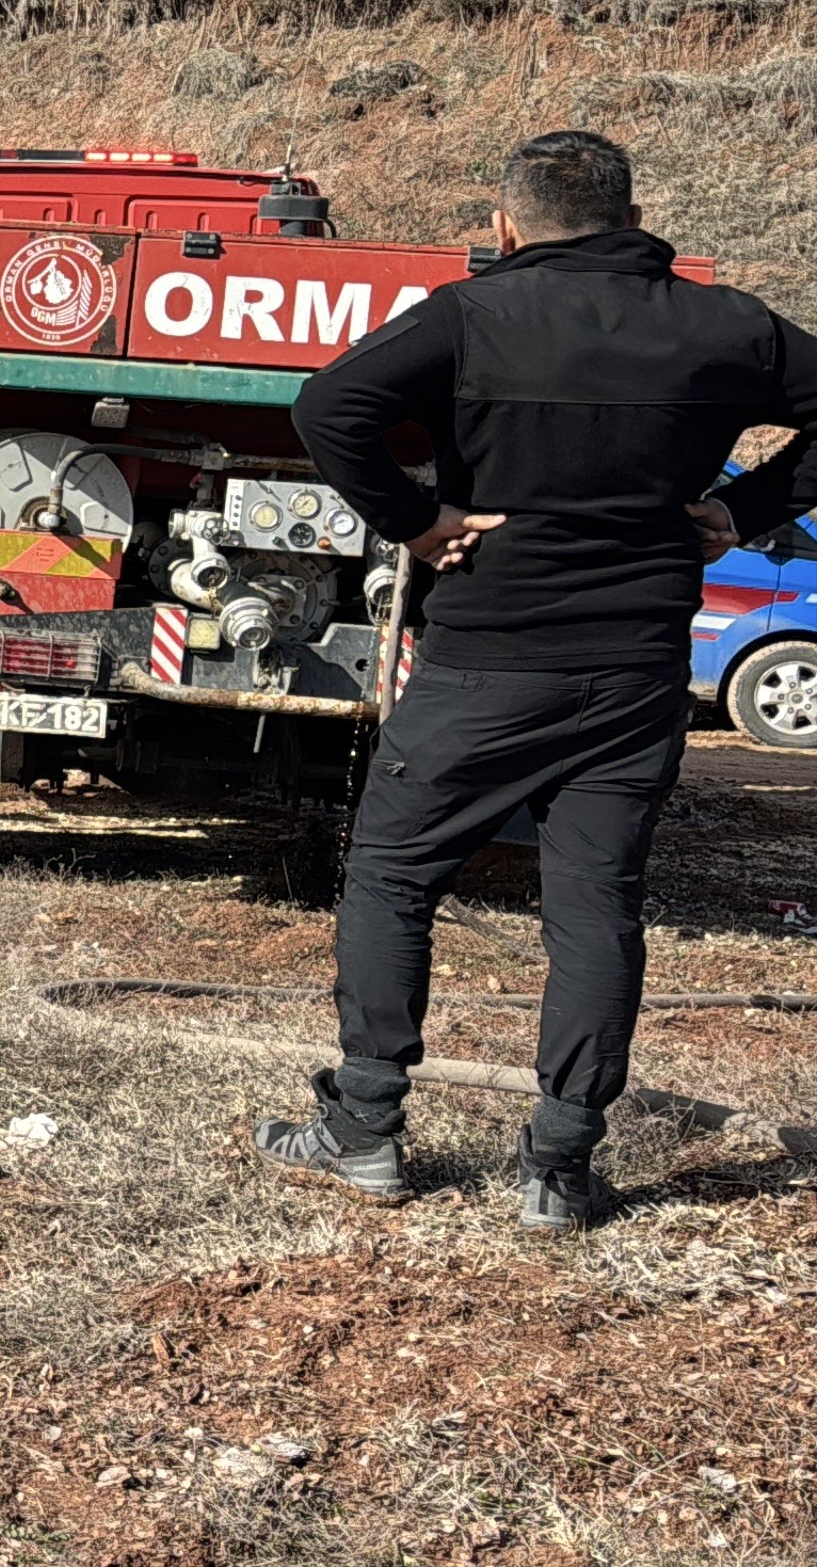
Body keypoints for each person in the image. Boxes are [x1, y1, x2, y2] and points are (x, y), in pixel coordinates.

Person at [257, 130, 817, 1232]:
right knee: (594, 907)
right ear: (627, 214)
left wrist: (418, 524)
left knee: (389, 878)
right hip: (639, 672)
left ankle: (365, 1128)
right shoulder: (721, 323)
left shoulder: (471, 317)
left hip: (484, 663)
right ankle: (558, 1167)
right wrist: (742, 510)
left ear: (506, 226)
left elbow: (328, 410)